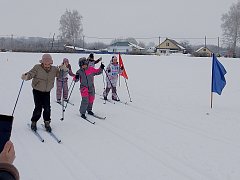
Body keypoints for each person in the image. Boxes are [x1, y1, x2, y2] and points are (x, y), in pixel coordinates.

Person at [21, 53, 65, 132]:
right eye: (45, 63)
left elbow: (61, 76)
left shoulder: (54, 69)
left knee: (47, 108)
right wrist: (26, 76)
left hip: (47, 92)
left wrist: (63, 69)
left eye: (49, 64)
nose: (47, 65)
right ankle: (34, 121)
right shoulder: (37, 67)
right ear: (42, 62)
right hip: (37, 90)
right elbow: (31, 74)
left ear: (51, 63)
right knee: (38, 107)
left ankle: (47, 122)